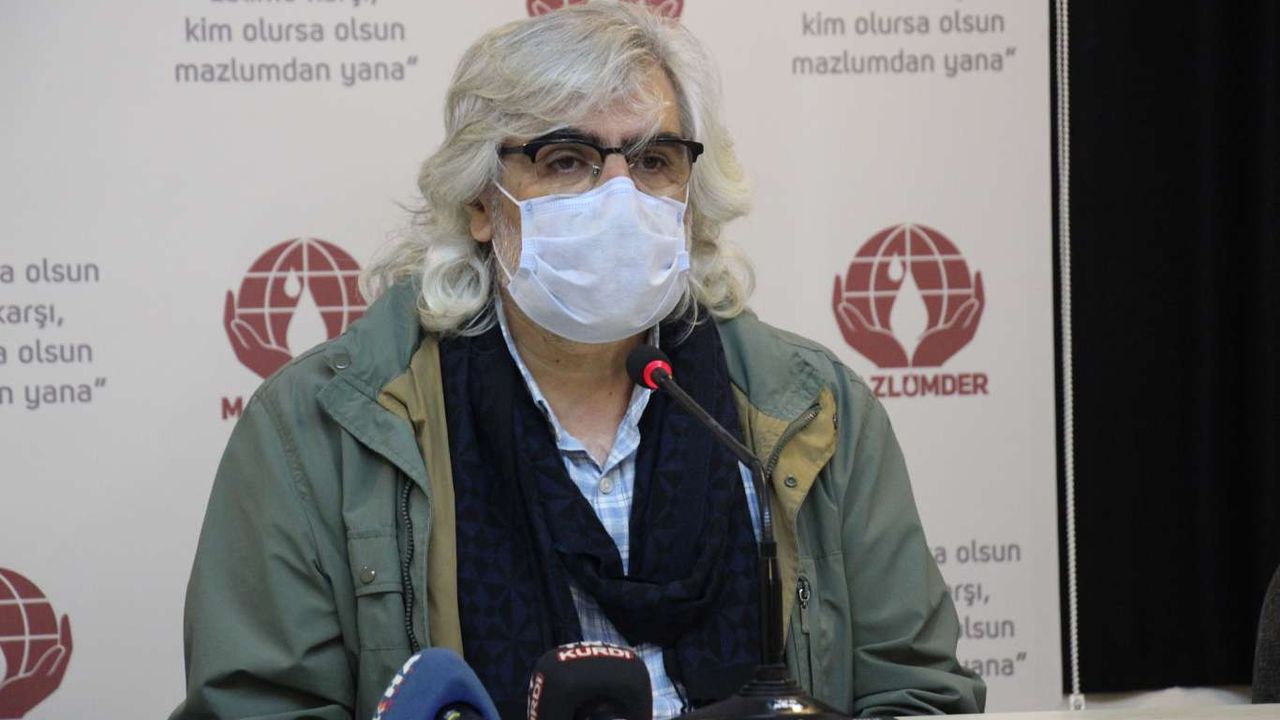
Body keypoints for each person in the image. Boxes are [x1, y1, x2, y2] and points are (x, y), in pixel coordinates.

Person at [172, 3, 985, 719]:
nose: (618, 195)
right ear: (483, 202)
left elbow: (917, 693)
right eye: (567, 160)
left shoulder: (812, 409)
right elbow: (257, 706)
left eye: (655, 160)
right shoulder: (319, 430)